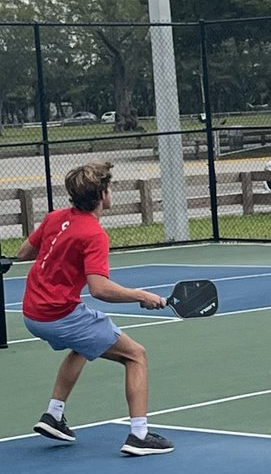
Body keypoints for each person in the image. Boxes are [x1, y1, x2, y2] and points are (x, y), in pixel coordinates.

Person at [15, 161, 175, 456]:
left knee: (83, 346)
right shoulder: (94, 234)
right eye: (109, 188)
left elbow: (24, 252)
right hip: (59, 314)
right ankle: (139, 435)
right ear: (102, 194)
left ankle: (54, 415)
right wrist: (140, 295)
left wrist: (58, 249)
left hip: (32, 313)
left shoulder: (54, 218)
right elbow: (99, 289)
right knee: (136, 355)